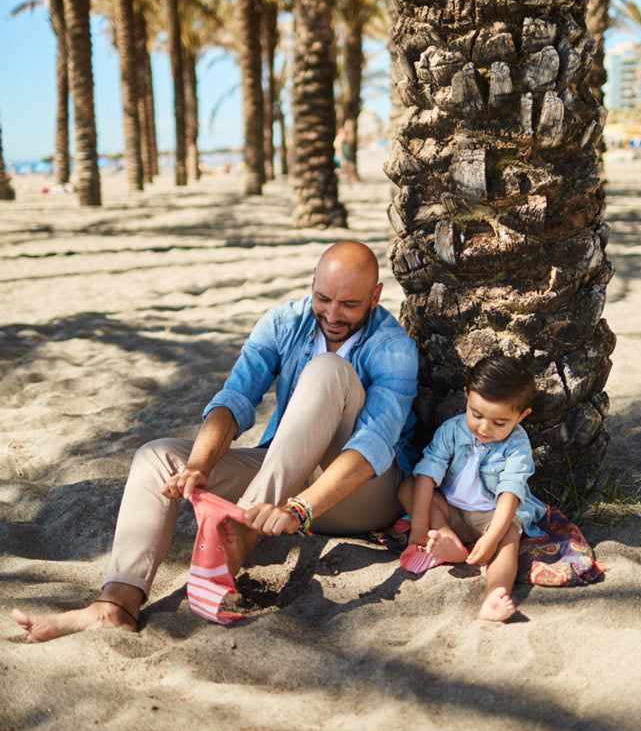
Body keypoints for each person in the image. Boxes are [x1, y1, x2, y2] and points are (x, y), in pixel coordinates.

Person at [12, 241, 418, 642]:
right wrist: (200, 465)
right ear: (312, 283)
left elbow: (372, 450)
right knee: (158, 457)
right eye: (323, 298)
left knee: (328, 369)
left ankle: (243, 526)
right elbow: (235, 399)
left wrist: (299, 507)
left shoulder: (393, 347)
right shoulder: (282, 322)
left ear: (376, 296)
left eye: (349, 304)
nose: (332, 314)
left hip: (359, 495)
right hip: (283, 475)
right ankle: (117, 605)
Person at [398, 354, 547, 622]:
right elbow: (427, 476)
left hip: (491, 515)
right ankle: (447, 539)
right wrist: (420, 529)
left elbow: (510, 494)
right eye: (476, 414)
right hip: (449, 510)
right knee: (408, 487)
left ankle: (495, 593)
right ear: (467, 397)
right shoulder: (451, 431)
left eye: (499, 422)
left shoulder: (516, 445)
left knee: (508, 538)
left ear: (521, 415)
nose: (484, 427)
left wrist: (491, 537)